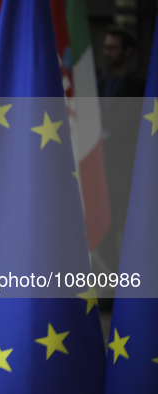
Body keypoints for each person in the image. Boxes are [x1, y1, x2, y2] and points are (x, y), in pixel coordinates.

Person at [97, 26, 145, 277]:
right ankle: (112, 283)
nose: (107, 52)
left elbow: (126, 122)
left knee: (131, 227)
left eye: (113, 47)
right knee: (103, 225)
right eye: (105, 47)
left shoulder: (140, 86)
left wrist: (95, 113)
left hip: (129, 168)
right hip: (102, 167)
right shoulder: (100, 84)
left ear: (128, 52)